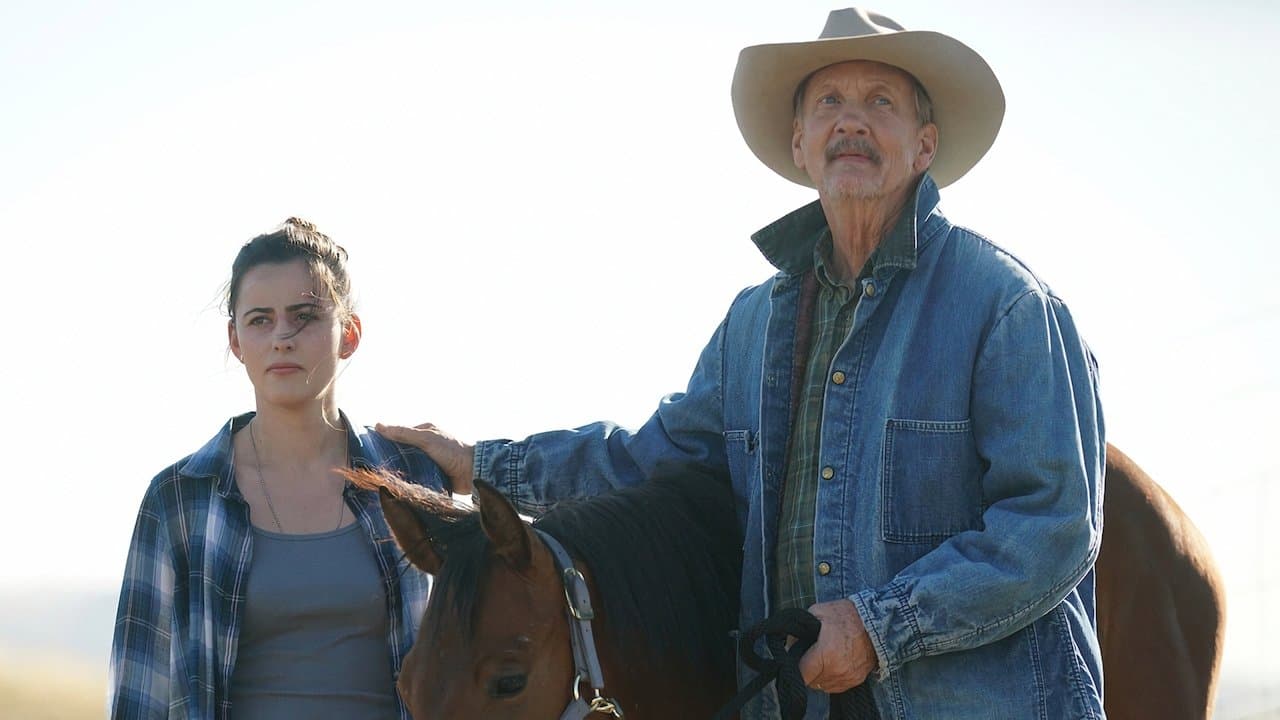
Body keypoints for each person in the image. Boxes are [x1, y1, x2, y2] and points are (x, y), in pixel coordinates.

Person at [382, 8, 1105, 719]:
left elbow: (1052, 525)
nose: (851, 122)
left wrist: (877, 628)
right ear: (800, 143)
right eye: (829, 102)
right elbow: (648, 460)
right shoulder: (754, 324)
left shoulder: (1006, 305)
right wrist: (480, 464)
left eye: (880, 102)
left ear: (924, 146)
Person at [109, 218, 447, 719]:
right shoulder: (181, 497)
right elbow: (139, 694)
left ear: (349, 335)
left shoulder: (412, 479)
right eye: (260, 320)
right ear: (235, 340)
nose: (282, 337)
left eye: (304, 316)